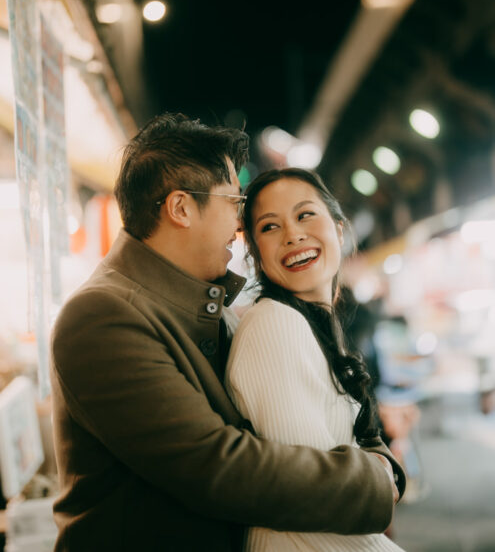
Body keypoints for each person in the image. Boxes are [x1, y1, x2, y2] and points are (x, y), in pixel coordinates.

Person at [50, 114, 405, 552]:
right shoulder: (102, 316)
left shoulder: (201, 303)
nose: (240, 228)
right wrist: (373, 482)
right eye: (233, 203)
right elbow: (213, 466)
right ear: (181, 208)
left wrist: (379, 459)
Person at [226, 167, 406, 551]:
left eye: (305, 214)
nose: (293, 234)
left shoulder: (314, 324)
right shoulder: (275, 325)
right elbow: (316, 500)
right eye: (270, 227)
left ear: (338, 230)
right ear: (257, 257)